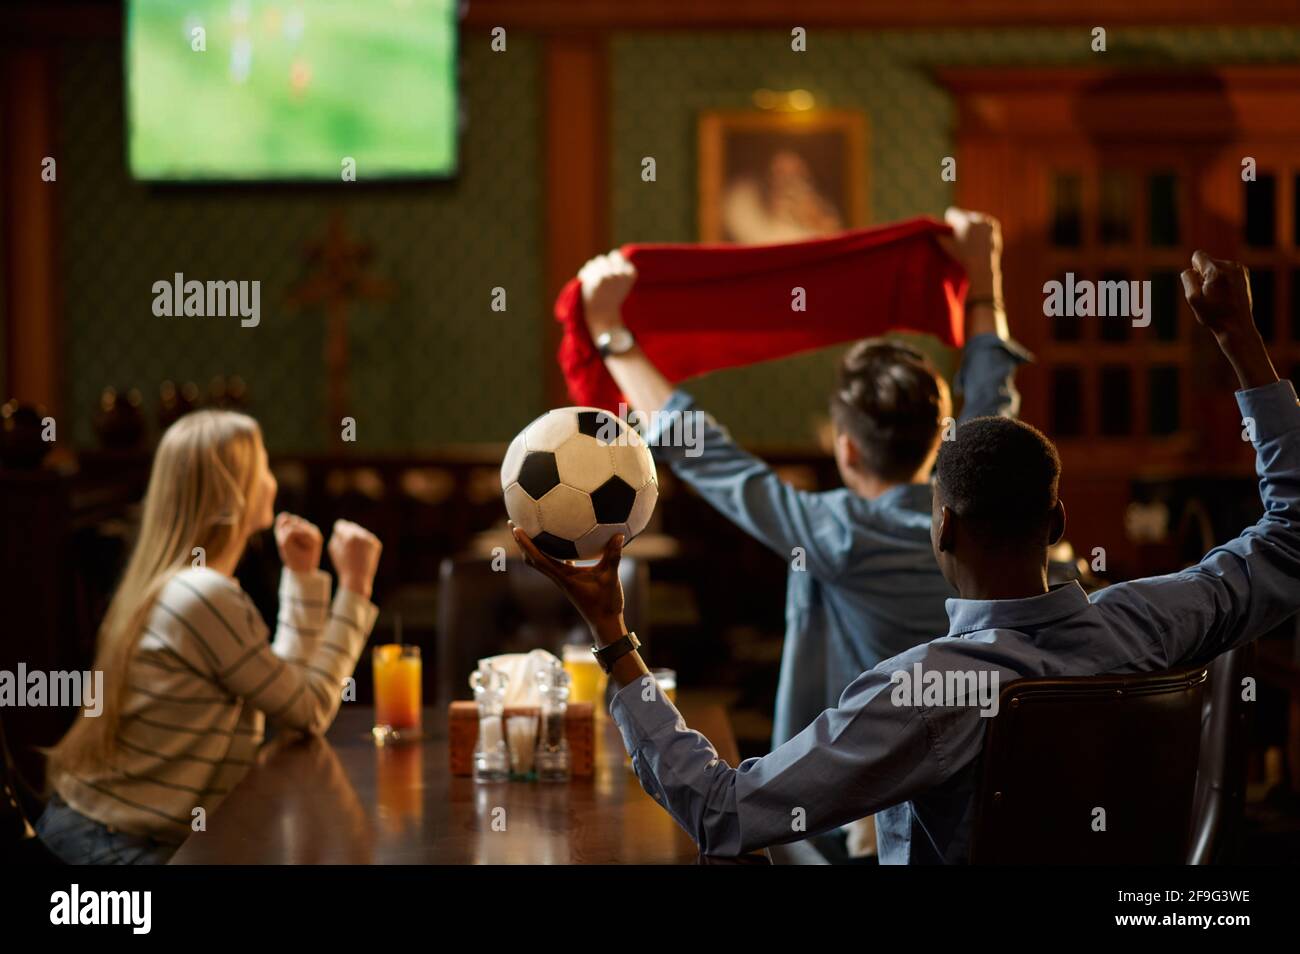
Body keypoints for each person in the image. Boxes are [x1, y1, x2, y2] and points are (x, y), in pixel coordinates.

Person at [514, 250, 1300, 863]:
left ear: (944, 531)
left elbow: (723, 812)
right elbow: (1292, 537)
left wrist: (613, 639)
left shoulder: (926, 691)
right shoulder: (1147, 624)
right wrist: (1243, 343)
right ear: (1055, 518)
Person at [578, 208, 1028, 858]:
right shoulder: (975, 512)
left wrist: (609, 330)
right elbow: (994, 389)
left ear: (845, 447)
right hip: (980, 808)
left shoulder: (836, 533)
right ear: (942, 436)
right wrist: (985, 273)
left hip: (863, 817)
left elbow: (699, 449)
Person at [39, 410, 382, 864]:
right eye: (262, 466)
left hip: (92, 832)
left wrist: (301, 578)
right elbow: (310, 709)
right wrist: (356, 587)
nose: (272, 481)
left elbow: (285, 695)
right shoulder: (204, 595)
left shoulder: (180, 583)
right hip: (111, 849)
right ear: (232, 489)